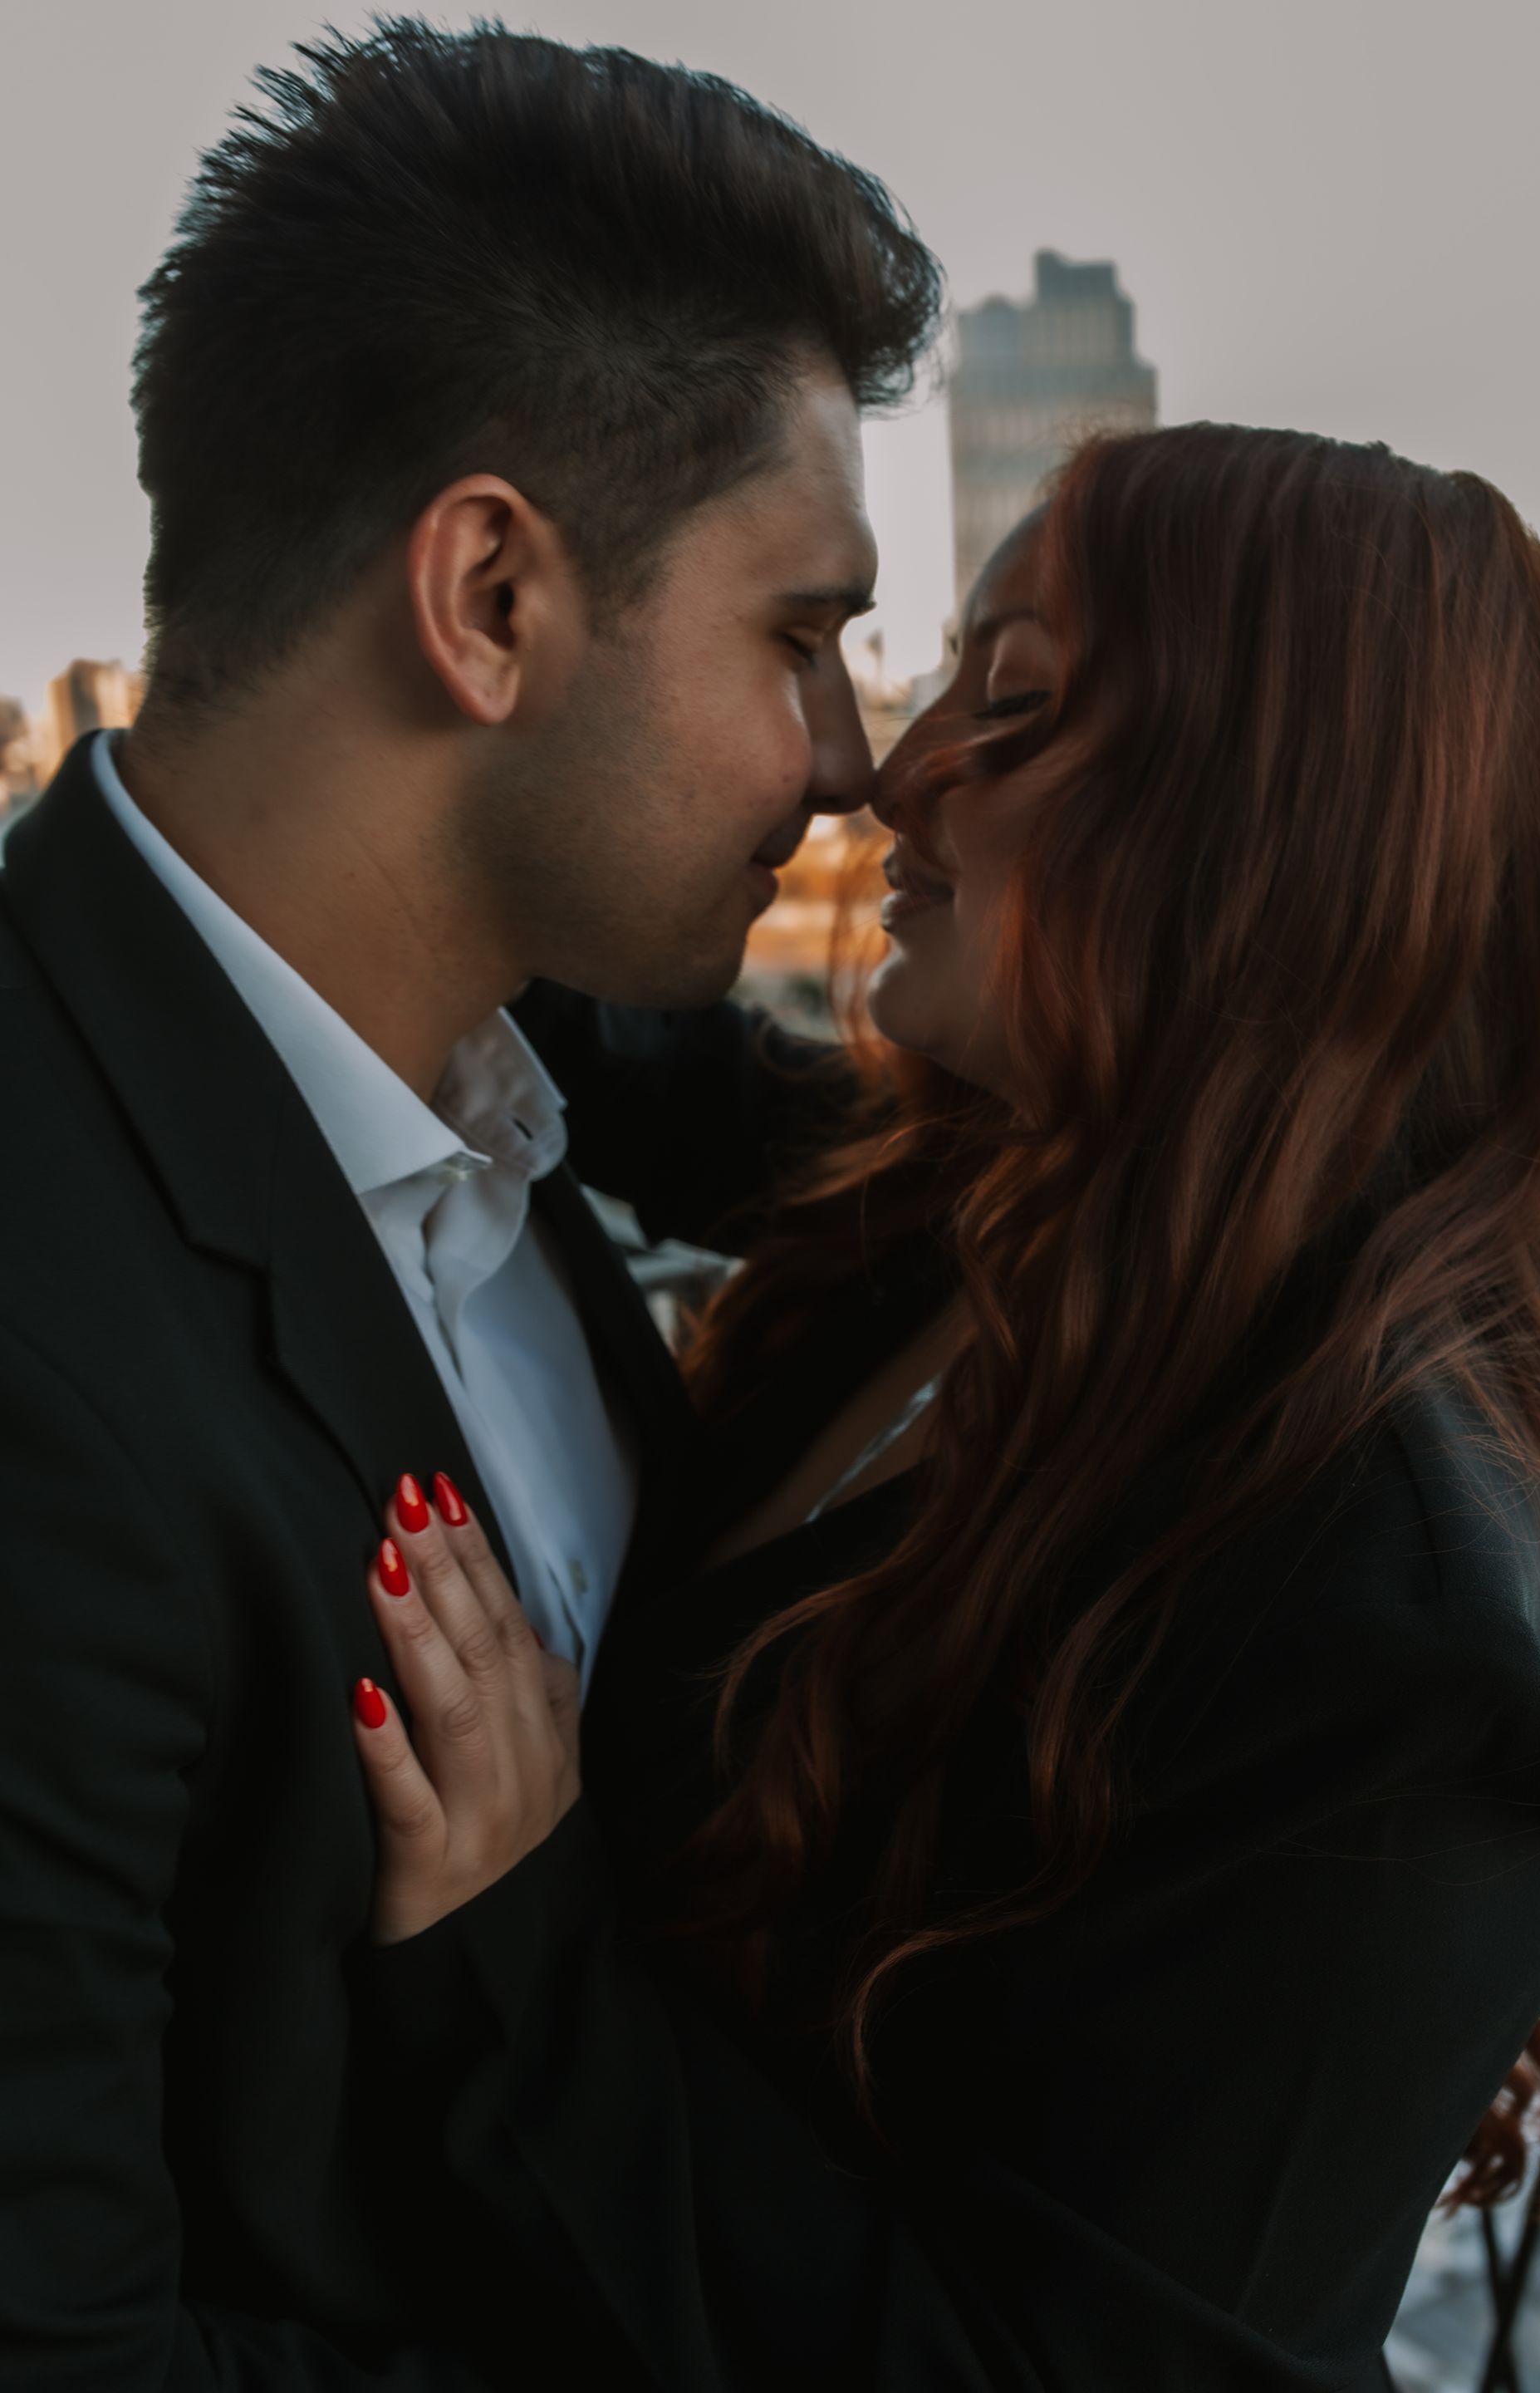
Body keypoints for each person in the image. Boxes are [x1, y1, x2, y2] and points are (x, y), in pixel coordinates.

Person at [346, 427, 1540, 2391]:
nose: (897, 770)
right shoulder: (995, 1211)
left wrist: (524, 1943)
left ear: (1261, 834)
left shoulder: (1407, 1646)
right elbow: (611, 1028)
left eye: (1011, 713)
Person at [0, 22, 942, 2389]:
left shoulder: (512, 1075)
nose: (857, 763)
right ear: (494, 599)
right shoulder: (37, 1354)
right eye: (801, 632)